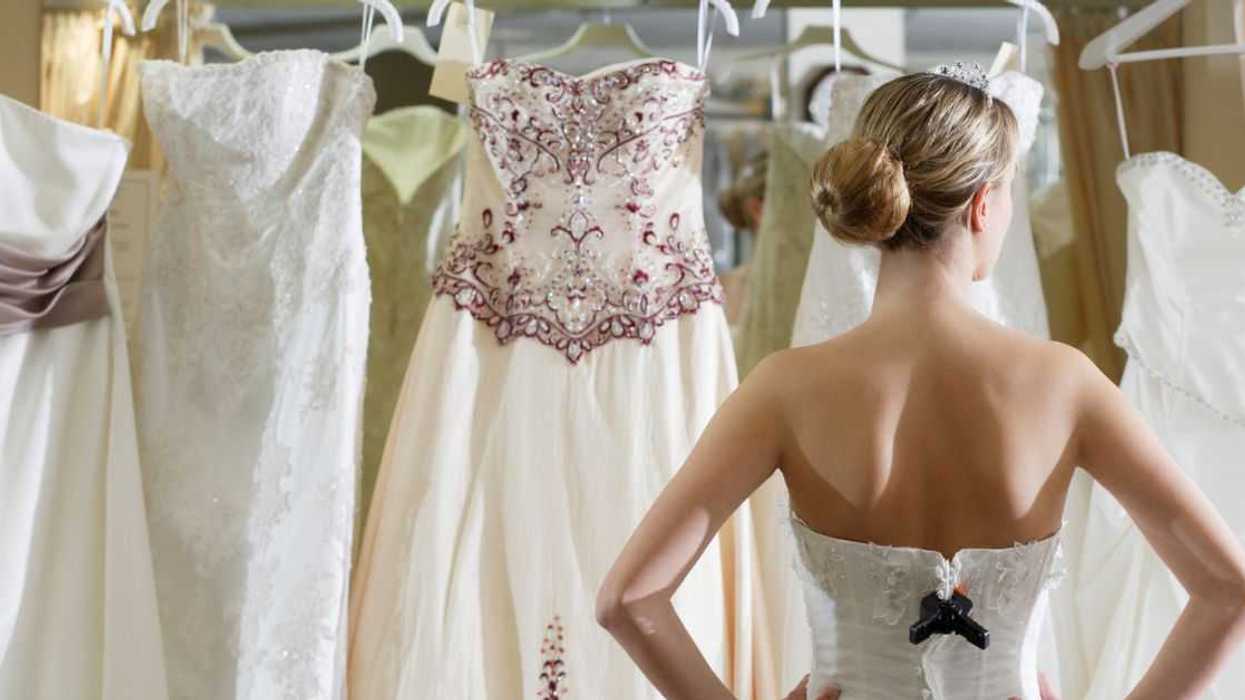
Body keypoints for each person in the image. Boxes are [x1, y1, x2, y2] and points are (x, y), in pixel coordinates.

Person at [596, 66, 1245, 699]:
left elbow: (627, 601)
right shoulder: (1063, 383)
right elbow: (1228, 589)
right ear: (983, 204)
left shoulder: (784, 389)